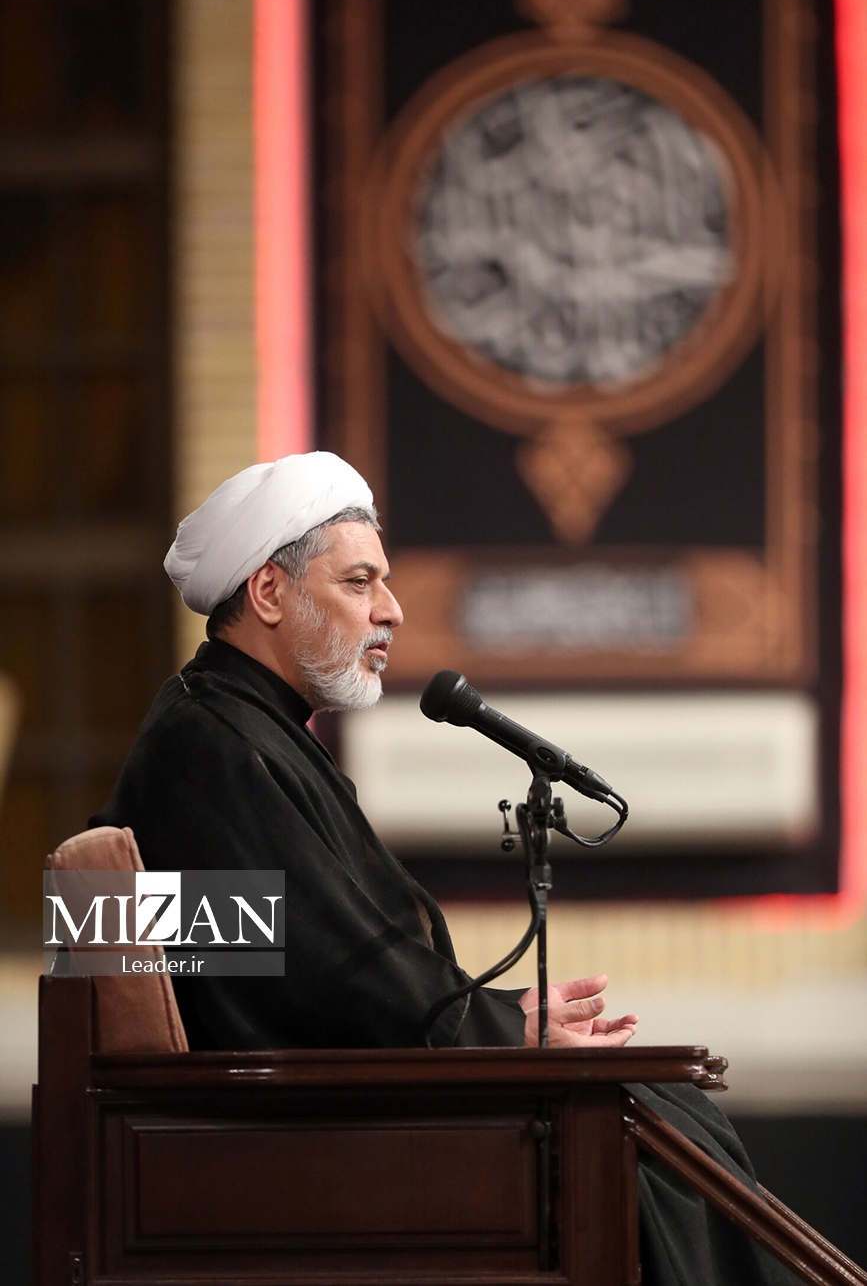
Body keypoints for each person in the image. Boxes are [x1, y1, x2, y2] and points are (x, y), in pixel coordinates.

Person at [92, 451, 800, 1285]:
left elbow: (323, 960)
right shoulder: (206, 747)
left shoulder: (249, 730)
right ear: (270, 593)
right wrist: (498, 1032)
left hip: (321, 1111)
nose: (390, 610)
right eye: (359, 582)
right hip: (285, 1143)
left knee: (665, 1112)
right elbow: (307, 978)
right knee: (638, 1129)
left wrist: (496, 1017)